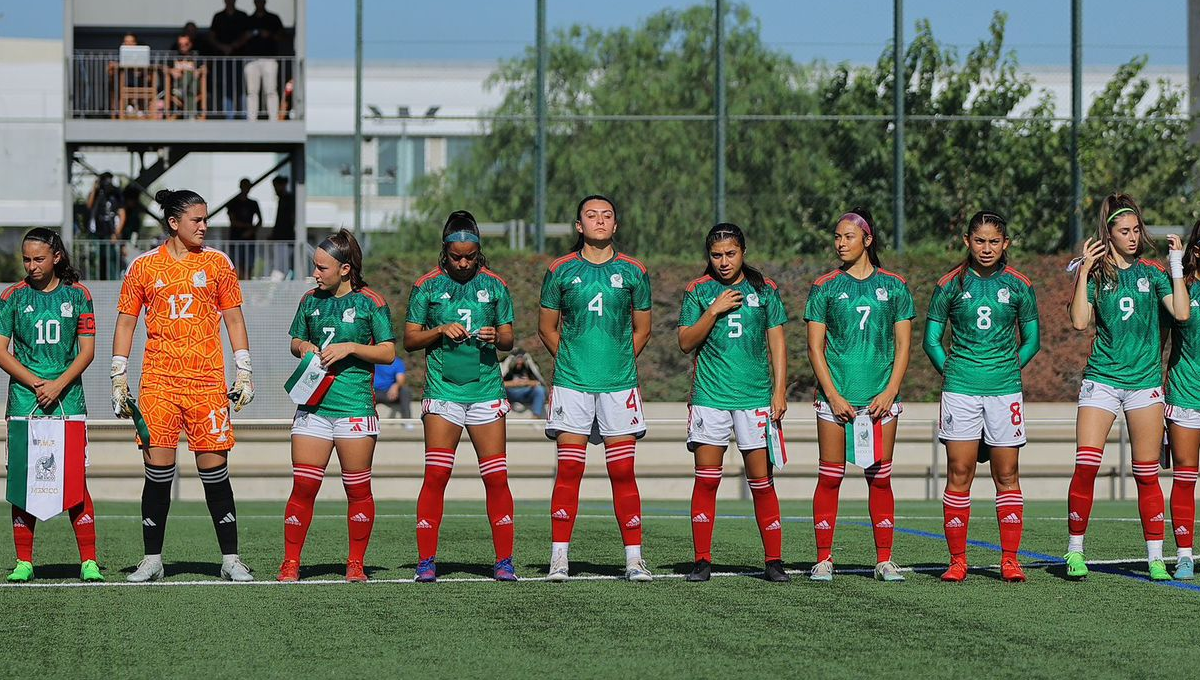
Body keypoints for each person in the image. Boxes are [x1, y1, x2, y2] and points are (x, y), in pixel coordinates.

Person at [111, 188, 256, 583]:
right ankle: (152, 559)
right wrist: (118, 374)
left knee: (215, 472)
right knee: (157, 472)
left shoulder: (218, 263)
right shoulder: (142, 267)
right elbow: (126, 321)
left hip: (208, 384)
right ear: (174, 223)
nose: (205, 226)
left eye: (206, 219)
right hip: (158, 383)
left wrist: (243, 369)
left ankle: (230, 559)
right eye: (197, 220)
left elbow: (234, 320)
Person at [1064, 193, 1189, 581]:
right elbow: (1080, 322)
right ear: (1109, 233)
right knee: (1086, 466)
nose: (1133, 237)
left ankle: (1155, 557)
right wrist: (1083, 271)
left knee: (1147, 473)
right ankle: (1074, 551)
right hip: (1101, 380)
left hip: (1144, 384)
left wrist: (1174, 265)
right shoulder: (1099, 274)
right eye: (1124, 231)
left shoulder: (1152, 273)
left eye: (1137, 230)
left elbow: (1182, 312)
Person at [539, 195, 653, 582]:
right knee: (569, 471)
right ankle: (559, 560)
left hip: (619, 386)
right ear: (578, 226)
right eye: (591, 215)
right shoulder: (559, 270)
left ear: (616, 226)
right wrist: (573, 360)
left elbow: (643, 330)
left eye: (606, 216)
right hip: (571, 385)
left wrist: (617, 360)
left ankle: (634, 559)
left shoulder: (635, 271)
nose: (599, 221)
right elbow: (546, 328)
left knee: (623, 472)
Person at [923, 211, 1040, 582]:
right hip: (961, 392)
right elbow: (931, 341)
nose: (986, 248)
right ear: (967, 242)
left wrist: (1007, 370)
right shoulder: (949, 286)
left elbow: (1033, 341)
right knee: (960, 473)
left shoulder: (1020, 285)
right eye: (979, 241)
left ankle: (1010, 560)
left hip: (1005, 393)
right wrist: (956, 374)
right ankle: (957, 560)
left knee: (1007, 474)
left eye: (994, 241)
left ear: (1005, 244)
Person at [405, 210, 518, 582]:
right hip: (444, 393)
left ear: (479, 252)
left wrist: (493, 337)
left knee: (496, 478)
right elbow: (409, 340)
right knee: (436, 475)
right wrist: (439, 329)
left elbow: (509, 339)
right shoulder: (427, 286)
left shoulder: (496, 286)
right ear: (445, 252)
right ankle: (426, 562)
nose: (464, 263)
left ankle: (504, 561)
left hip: (486, 392)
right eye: (457, 257)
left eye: (470, 256)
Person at [278, 229, 395, 583]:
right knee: (303, 487)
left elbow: (388, 352)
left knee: (357, 489)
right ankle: (291, 563)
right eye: (315, 267)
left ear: (345, 269)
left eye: (322, 268)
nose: (315, 274)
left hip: (355, 408)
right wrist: (303, 348)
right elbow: (295, 340)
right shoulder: (309, 300)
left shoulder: (370, 302)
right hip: (313, 408)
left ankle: (355, 564)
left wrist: (351, 348)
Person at [804, 207, 913, 582]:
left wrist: (890, 390)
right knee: (830, 477)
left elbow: (903, 346)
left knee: (880, 478)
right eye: (837, 236)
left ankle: (884, 560)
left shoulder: (895, 286)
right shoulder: (824, 286)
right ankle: (823, 559)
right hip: (836, 400)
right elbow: (815, 348)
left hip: (881, 401)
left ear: (868, 240)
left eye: (848, 236)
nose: (840, 243)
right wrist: (832, 395)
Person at [678, 223, 789, 583]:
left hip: (755, 399)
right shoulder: (698, 291)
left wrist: (779, 391)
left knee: (762, 482)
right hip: (710, 399)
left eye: (730, 254)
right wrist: (713, 310)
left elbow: (777, 344)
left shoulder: (765, 289)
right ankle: (702, 561)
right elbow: (685, 342)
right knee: (707, 481)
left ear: (743, 252)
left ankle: (773, 562)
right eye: (716, 255)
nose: (723, 262)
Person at [1, 229, 100, 583]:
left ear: (56, 257)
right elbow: (1, 351)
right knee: (23, 481)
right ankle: (24, 562)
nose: (32, 266)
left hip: (68, 402)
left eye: (38, 259)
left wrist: (58, 385)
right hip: (25, 402)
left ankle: (88, 561)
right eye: (26, 259)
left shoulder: (79, 295)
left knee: (74, 480)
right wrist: (37, 383)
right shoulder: (12, 296)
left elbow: (87, 351)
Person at [1165, 218, 1200, 580]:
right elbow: (1158, 337)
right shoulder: (1183, 286)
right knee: (1185, 477)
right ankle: (1185, 555)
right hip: (1186, 393)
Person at [243, 0, 284, 120]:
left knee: (271, 90)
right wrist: (249, 35)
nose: (259, 3)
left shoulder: (273, 18)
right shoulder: (248, 20)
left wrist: (269, 35)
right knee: (251, 91)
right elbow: (240, 39)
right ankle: (252, 119)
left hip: (269, 60)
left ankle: (273, 119)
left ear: (265, 2)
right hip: (251, 61)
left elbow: (282, 36)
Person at [208, 0, 248, 118]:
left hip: (239, 58)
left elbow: (246, 35)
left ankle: (244, 115)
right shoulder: (218, 17)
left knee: (241, 86)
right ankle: (229, 116)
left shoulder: (242, 15)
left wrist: (234, 46)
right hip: (223, 59)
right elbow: (211, 36)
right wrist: (222, 47)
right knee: (226, 87)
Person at [226, 177, 262, 278]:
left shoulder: (253, 203)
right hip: (236, 238)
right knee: (236, 265)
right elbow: (233, 221)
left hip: (249, 240)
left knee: (249, 265)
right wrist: (249, 227)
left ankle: (247, 284)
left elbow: (260, 221)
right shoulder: (233, 202)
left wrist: (251, 231)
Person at [500, 349, 546, 418]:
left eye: (521, 360)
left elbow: (538, 382)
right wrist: (514, 383)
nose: (519, 362)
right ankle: (500, 415)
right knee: (500, 391)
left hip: (526, 393)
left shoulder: (529, 368)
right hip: (510, 393)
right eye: (517, 360)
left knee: (540, 390)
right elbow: (499, 384)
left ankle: (536, 416)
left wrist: (526, 383)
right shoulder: (507, 368)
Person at [373, 355, 412, 421]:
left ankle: (407, 420)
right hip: (374, 392)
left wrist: (396, 386)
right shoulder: (374, 359)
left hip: (389, 393)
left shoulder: (398, 362)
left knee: (405, 391)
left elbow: (401, 379)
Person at [270, 175, 295, 278]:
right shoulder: (282, 199)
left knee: (282, 268)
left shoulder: (289, 199)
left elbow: (291, 219)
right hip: (280, 238)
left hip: (286, 239)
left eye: (276, 186)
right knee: (280, 266)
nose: (275, 189)